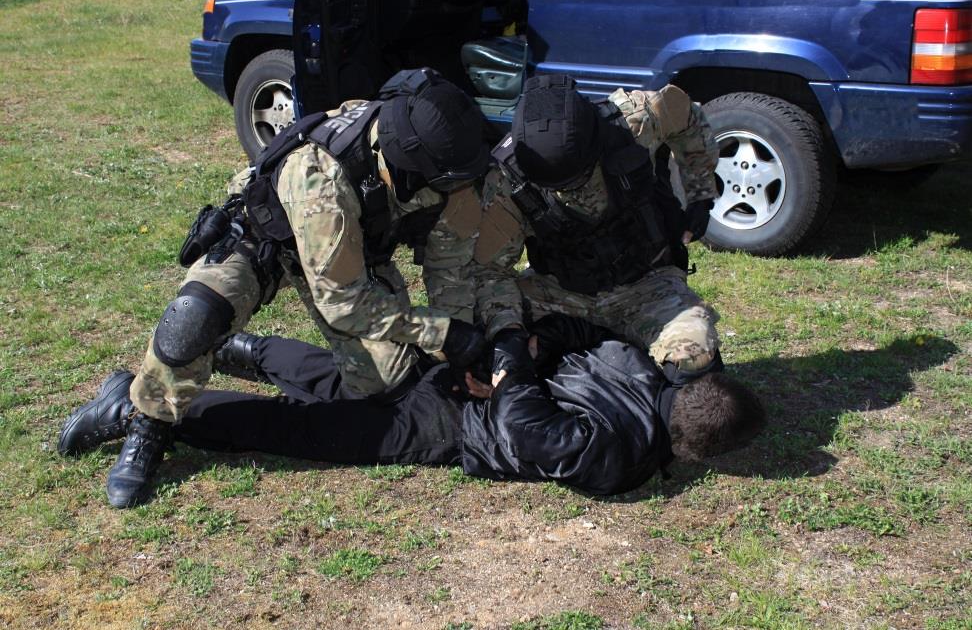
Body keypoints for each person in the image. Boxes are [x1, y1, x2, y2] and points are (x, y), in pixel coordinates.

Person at [98, 68, 490, 508]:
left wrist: (460, 350)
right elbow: (343, 303)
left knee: (388, 387)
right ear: (408, 157)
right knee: (192, 322)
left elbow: (451, 266)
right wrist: (444, 333)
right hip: (266, 238)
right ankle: (144, 420)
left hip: (352, 256)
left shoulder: (447, 165)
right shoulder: (323, 177)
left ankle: (238, 351)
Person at [58, 316, 766, 498]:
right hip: (456, 418)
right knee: (305, 428)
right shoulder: (622, 457)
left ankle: (245, 346)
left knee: (351, 386)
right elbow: (529, 427)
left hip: (461, 384)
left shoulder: (638, 367)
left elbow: (574, 338)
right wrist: (512, 364)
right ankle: (137, 408)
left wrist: (520, 354)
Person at [473, 74, 722, 390]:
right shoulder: (507, 180)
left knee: (694, 358)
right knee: (482, 345)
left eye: (575, 180)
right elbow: (492, 272)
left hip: (648, 286)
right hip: (563, 294)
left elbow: (690, 118)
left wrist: (700, 194)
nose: (569, 191)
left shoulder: (634, 121)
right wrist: (508, 336)